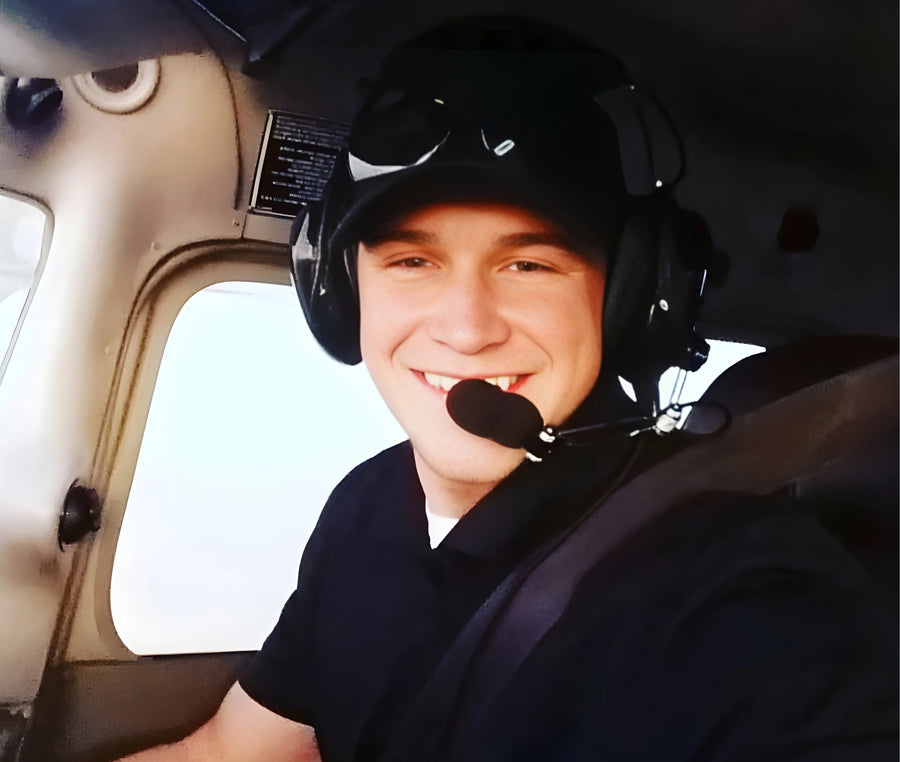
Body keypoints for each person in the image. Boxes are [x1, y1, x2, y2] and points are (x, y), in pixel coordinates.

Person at [119, 16, 897, 762]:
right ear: (337, 289)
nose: (466, 329)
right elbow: (238, 749)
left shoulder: (734, 596)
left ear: (633, 299)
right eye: (412, 261)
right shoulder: (368, 506)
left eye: (529, 264)